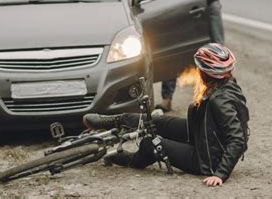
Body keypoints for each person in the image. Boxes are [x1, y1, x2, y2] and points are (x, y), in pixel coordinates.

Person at [83, 43, 248, 186]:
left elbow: (237, 139)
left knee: (151, 143)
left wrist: (220, 174)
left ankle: (131, 159)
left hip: (205, 159)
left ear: (208, 72)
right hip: (202, 135)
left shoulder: (220, 100)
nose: (197, 70)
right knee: (157, 121)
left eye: (200, 68)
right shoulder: (224, 84)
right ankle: (115, 121)